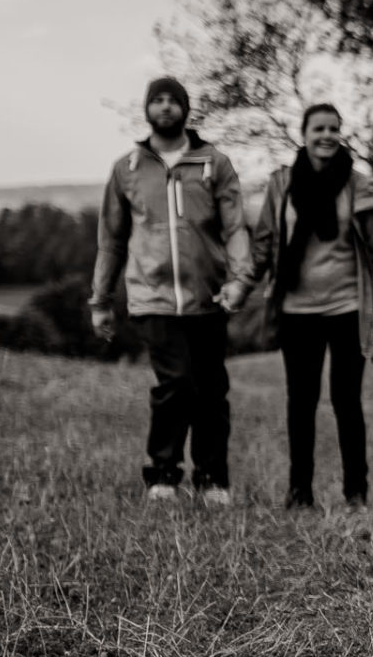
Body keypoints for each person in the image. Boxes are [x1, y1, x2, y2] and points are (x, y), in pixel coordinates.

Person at [90, 76, 252, 506]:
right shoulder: (126, 169)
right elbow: (111, 239)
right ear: (147, 109)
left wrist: (239, 281)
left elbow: (235, 228)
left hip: (209, 297)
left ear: (185, 108)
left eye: (172, 101)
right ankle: (162, 474)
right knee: (176, 384)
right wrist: (101, 301)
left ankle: (212, 478)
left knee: (211, 390)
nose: (165, 107)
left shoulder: (214, 163)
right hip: (152, 296)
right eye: (157, 100)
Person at [243, 103, 373, 510]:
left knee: (347, 402)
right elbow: (263, 246)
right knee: (301, 402)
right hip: (296, 310)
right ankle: (300, 494)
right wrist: (240, 287)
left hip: (348, 308)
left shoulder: (359, 186)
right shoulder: (282, 184)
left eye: (333, 128)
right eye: (318, 128)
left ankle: (356, 494)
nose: (326, 135)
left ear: (341, 133)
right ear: (304, 133)